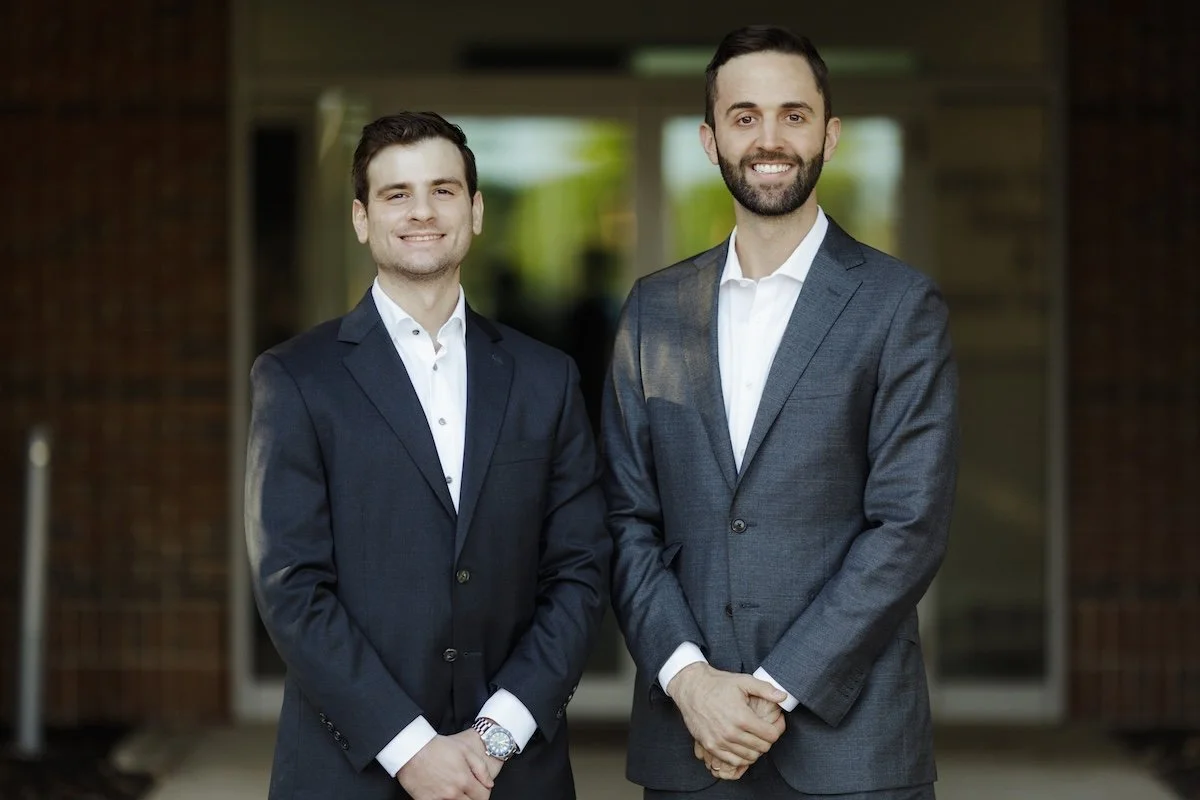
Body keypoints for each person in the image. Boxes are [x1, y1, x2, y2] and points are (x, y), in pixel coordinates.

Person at [603, 25, 958, 800]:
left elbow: (908, 526)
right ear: (709, 139)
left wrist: (771, 691)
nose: (770, 138)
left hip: (852, 749)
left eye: (794, 115)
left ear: (829, 135)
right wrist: (691, 683)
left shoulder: (899, 307)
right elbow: (626, 518)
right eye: (744, 116)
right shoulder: (654, 310)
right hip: (688, 744)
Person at [245, 111, 610, 800]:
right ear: (361, 217)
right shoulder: (296, 378)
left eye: (443, 190)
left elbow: (580, 572)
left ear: (474, 211)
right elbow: (290, 586)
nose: (422, 211)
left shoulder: (546, 378)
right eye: (396, 193)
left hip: (514, 771)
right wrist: (411, 749)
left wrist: (495, 735)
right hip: (348, 770)